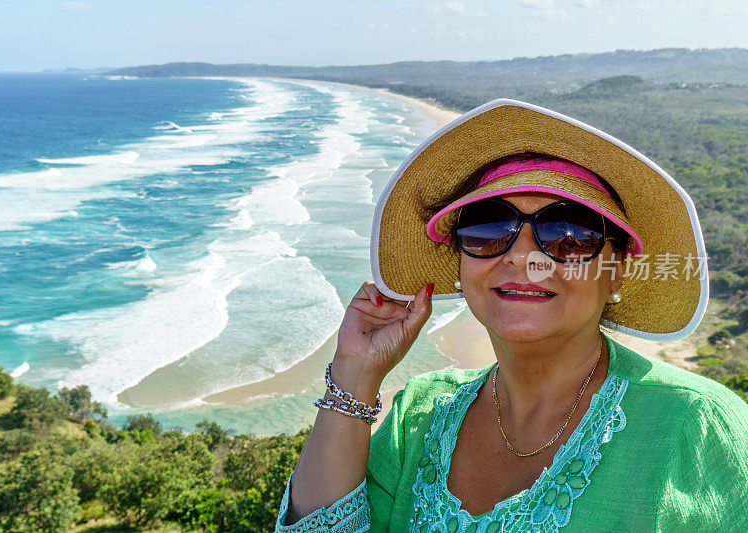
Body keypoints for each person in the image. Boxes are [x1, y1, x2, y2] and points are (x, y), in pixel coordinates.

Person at [274, 99, 748, 532]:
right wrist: (355, 376)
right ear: (461, 264)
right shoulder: (418, 417)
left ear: (616, 271)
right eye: (488, 229)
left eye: (568, 236)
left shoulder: (695, 425)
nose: (522, 257)